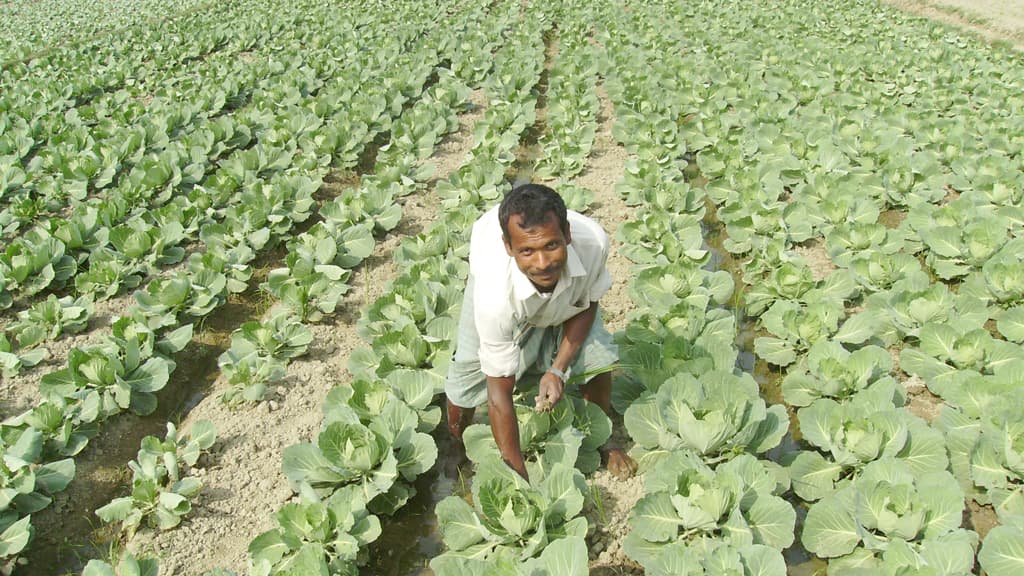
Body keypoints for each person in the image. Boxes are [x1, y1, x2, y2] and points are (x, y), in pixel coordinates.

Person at [444, 183, 637, 481]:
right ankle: (457, 444)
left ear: (567, 235)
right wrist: (518, 474)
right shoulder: (494, 292)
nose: (543, 263)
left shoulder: (593, 245)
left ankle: (601, 436)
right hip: (501, 296)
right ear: (509, 248)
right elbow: (498, 393)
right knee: (468, 372)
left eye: (551, 245)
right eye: (527, 251)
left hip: (570, 292)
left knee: (597, 354)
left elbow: (586, 303)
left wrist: (558, 370)